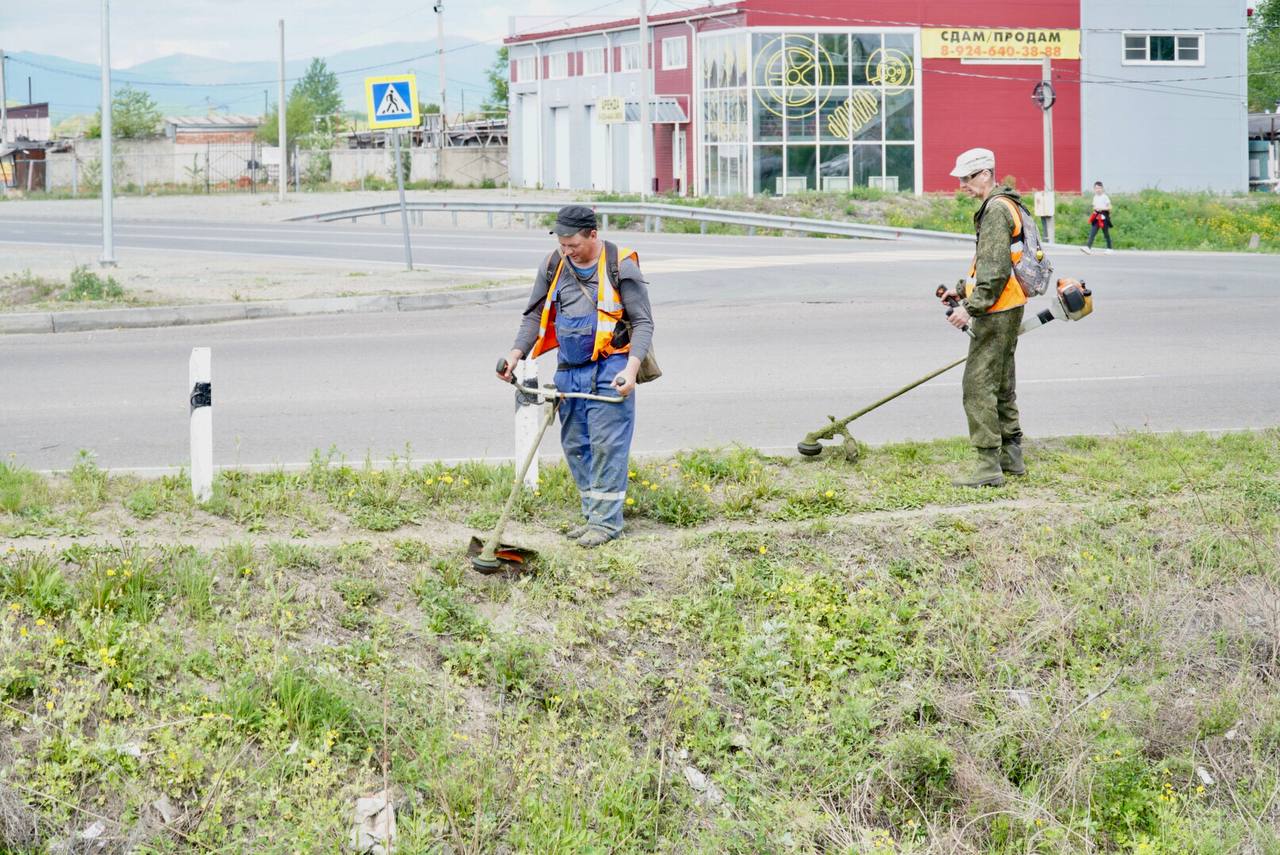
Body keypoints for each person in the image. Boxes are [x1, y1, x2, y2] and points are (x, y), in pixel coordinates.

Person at [498, 205, 654, 548]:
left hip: (610, 366)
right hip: (569, 369)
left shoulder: (620, 264)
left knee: (607, 445)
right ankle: (592, 515)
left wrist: (630, 370)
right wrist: (515, 354)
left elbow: (643, 323)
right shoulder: (554, 264)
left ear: (593, 235)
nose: (566, 251)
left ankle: (607, 524)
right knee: (576, 444)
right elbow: (534, 315)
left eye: (573, 244)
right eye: (562, 244)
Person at [941, 148, 1027, 488]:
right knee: (1002, 381)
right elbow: (988, 266)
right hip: (1009, 304)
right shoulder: (1007, 204)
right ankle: (1012, 456)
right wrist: (961, 290)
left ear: (986, 174)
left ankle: (987, 466)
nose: (961, 184)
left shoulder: (995, 210)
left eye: (967, 177)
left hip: (996, 308)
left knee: (977, 386)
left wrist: (969, 308)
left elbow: (994, 270)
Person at [1083, 181, 1114, 254]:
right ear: (1094, 189)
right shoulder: (1095, 197)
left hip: (1104, 217)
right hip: (1097, 217)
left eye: (1099, 188)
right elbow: (1094, 206)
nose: (1098, 189)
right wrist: (1095, 209)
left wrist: (1102, 208)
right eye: (1096, 188)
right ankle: (1088, 248)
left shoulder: (1105, 197)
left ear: (1102, 188)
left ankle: (1110, 249)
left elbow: (1110, 207)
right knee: (1092, 233)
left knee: (1106, 234)